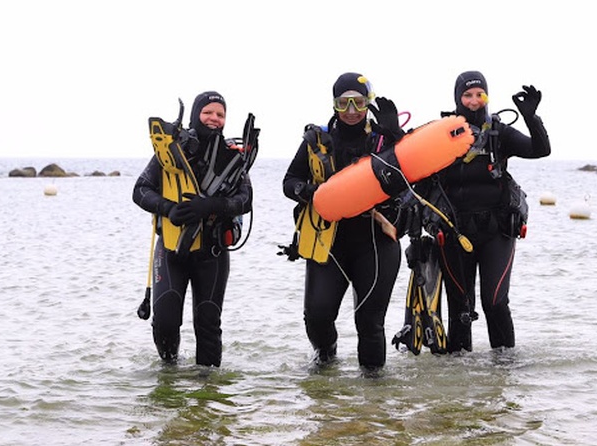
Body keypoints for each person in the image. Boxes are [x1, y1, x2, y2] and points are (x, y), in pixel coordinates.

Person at [282, 72, 406, 374]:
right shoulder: (317, 140)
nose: (351, 110)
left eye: (359, 102)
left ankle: (373, 400)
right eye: (343, 103)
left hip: (375, 241)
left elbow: (412, 180)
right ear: (334, 104)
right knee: (318, 316)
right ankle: (326, 362)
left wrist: (397, 137)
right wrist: (313, 193)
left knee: (369, 322)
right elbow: (289, 182)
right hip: (329, 240)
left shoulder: (383, 139)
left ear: (368, 103)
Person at [427, 70, 551, 352]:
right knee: (460, 305)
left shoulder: (499, 133)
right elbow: (407, 164)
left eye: (479, 94)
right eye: (467, 95)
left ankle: (503, 372)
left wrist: (531, 117)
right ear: (457, 98)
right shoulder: (440, 134)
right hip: (455, 231)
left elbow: (540, 150)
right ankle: (459, 380)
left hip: (497, 230)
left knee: (494, 302)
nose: (473, 101)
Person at [132, 91, 253, 367]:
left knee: (208, 323)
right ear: (195, 114)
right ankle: (169, 377)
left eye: (220, 114)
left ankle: (207, 395)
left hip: (212, 252)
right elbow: (140, 190)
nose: (214, 119)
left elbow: (245, 200)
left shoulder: (230, 157)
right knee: (164, 323)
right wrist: (168, 208)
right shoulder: (171, 151)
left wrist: (211, 205)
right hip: (172, 249)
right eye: (208, 112)